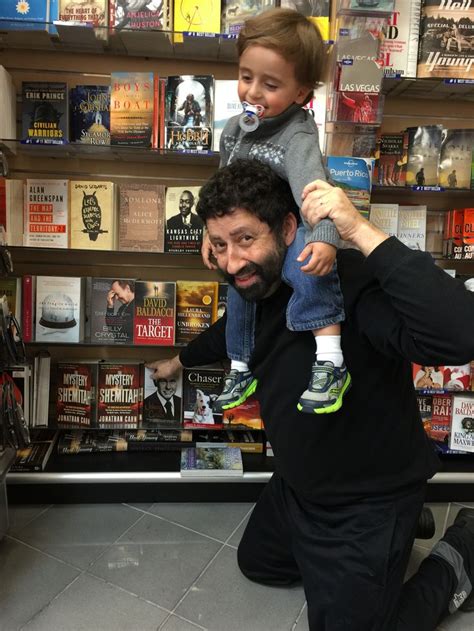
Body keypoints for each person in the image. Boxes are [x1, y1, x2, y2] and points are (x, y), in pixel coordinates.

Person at [147, 159, 474, 630]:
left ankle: (458, 550)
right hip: (299, 488)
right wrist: (179, 362)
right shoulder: (254, 289)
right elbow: (228, 336)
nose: (231, 262)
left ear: (287, 228)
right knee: (258, 564)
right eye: (219, 245)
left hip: (369, 499)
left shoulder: (351, 284)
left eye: (245, 240)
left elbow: (462, 333)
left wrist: (359, 228)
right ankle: (396, 540)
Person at [202, 8, 350, 416]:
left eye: (270, 85)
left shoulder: (297, 134)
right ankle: (239, 365)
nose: (252, 92)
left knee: (305, 268)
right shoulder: (234, 129)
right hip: (251, 232)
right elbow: (221, 189)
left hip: (294, 224)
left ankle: (330, 359)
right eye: (247, 77)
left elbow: (315, 193)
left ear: (302, 93)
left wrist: (324, 241)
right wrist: (211, 237)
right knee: (237, 282)